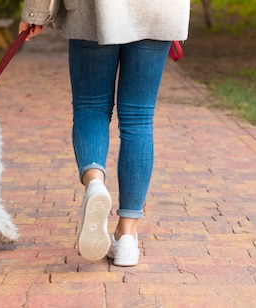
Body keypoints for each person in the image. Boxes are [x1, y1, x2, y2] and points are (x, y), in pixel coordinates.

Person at [19, 0, 190, 266]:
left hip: (94, 10)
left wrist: (35, 12)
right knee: (139, 118)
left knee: (91, 106)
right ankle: (127, 237)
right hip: (158, 9)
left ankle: (95, 183)